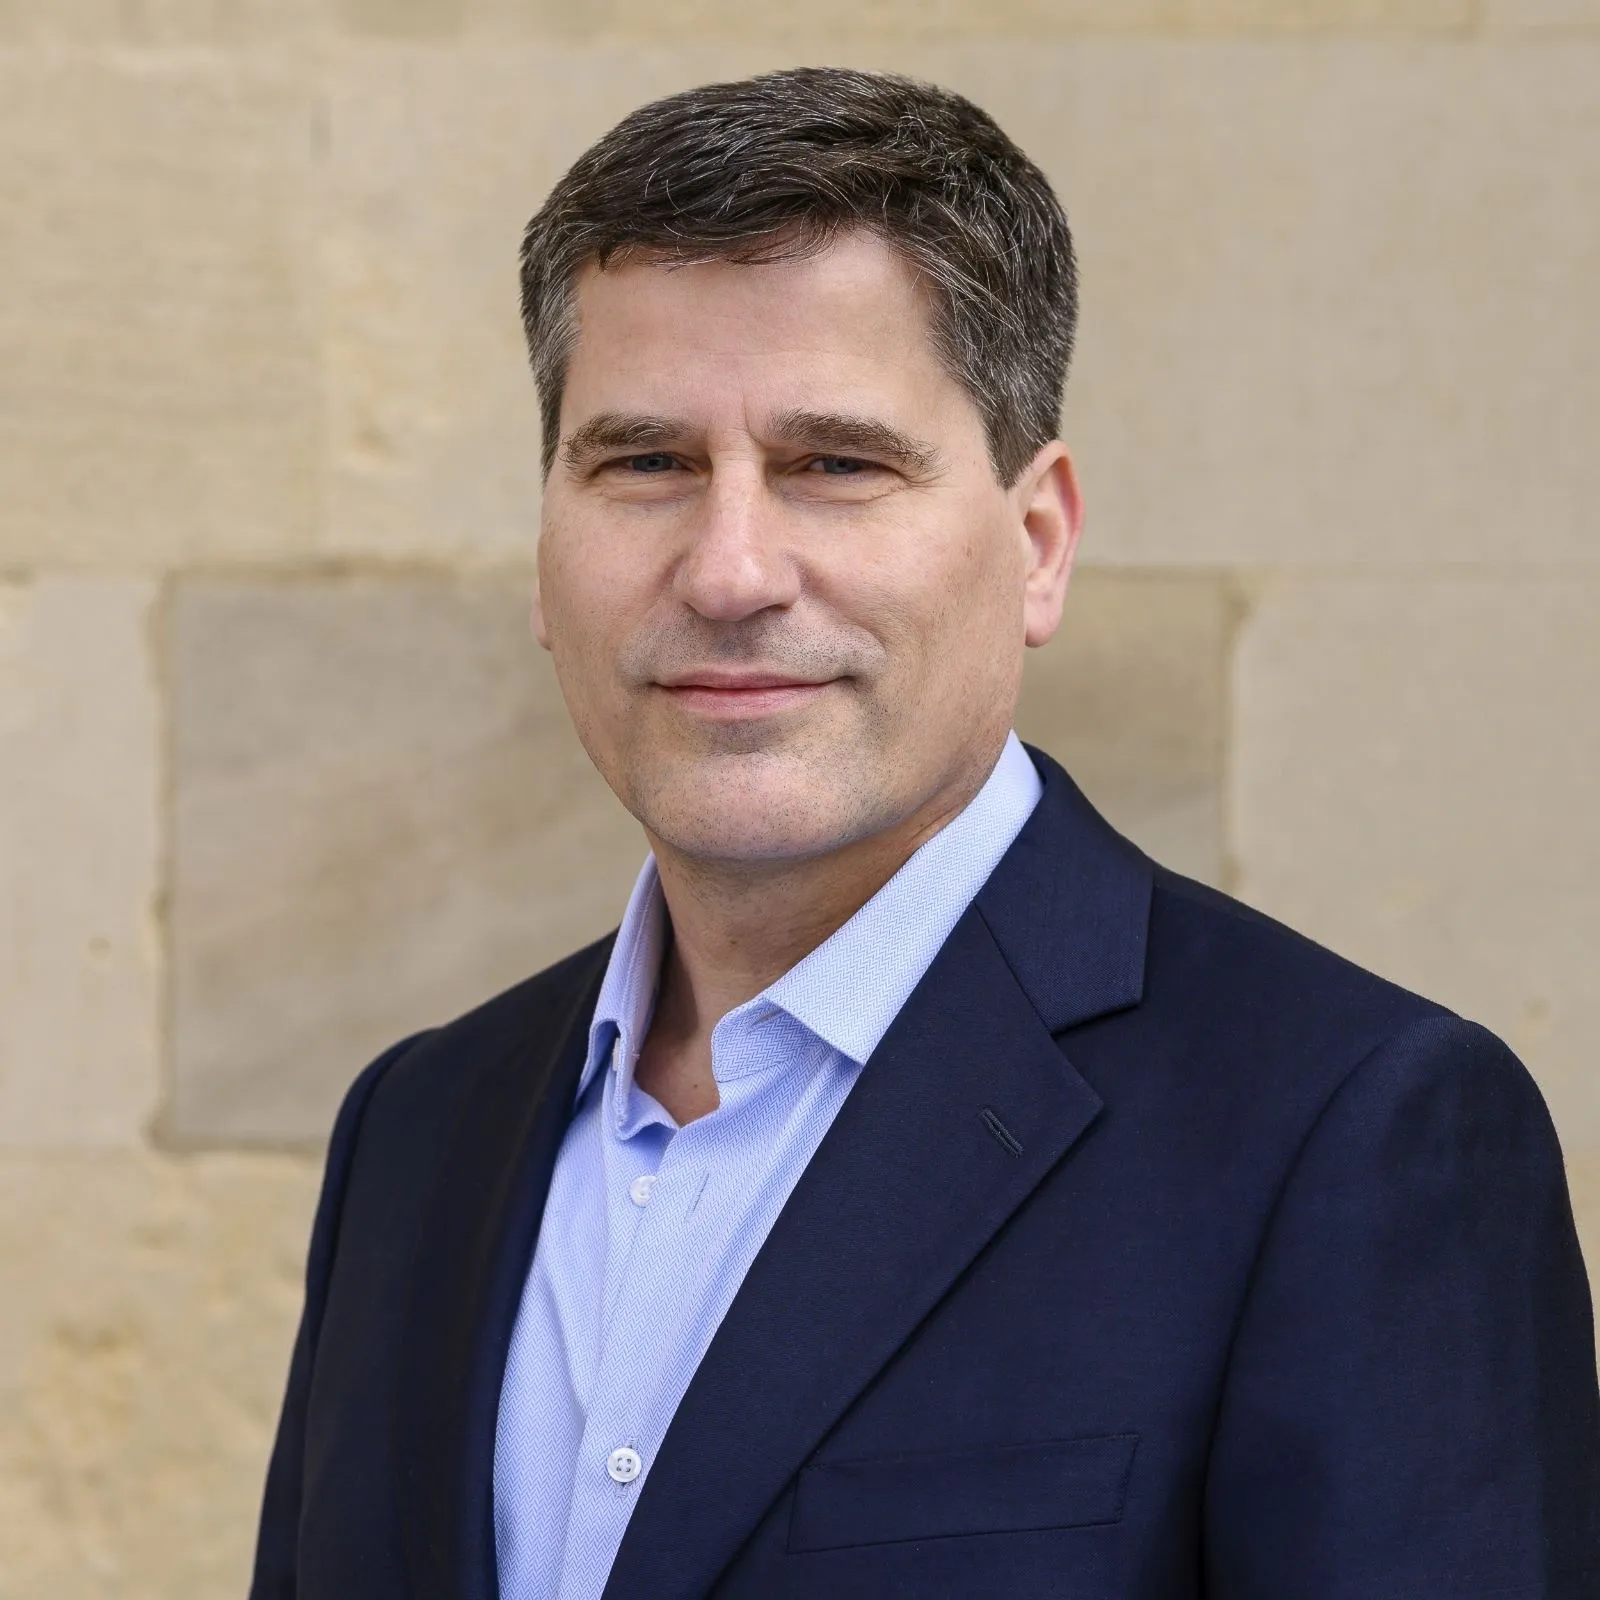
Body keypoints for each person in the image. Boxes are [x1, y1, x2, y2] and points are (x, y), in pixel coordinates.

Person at [250, 66, 1599, 1600]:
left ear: (1037, 547)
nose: (731, 569)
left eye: (837, 463)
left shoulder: (1346, 1133)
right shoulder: (419, 1134)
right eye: (645, 463)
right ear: (545, 542)